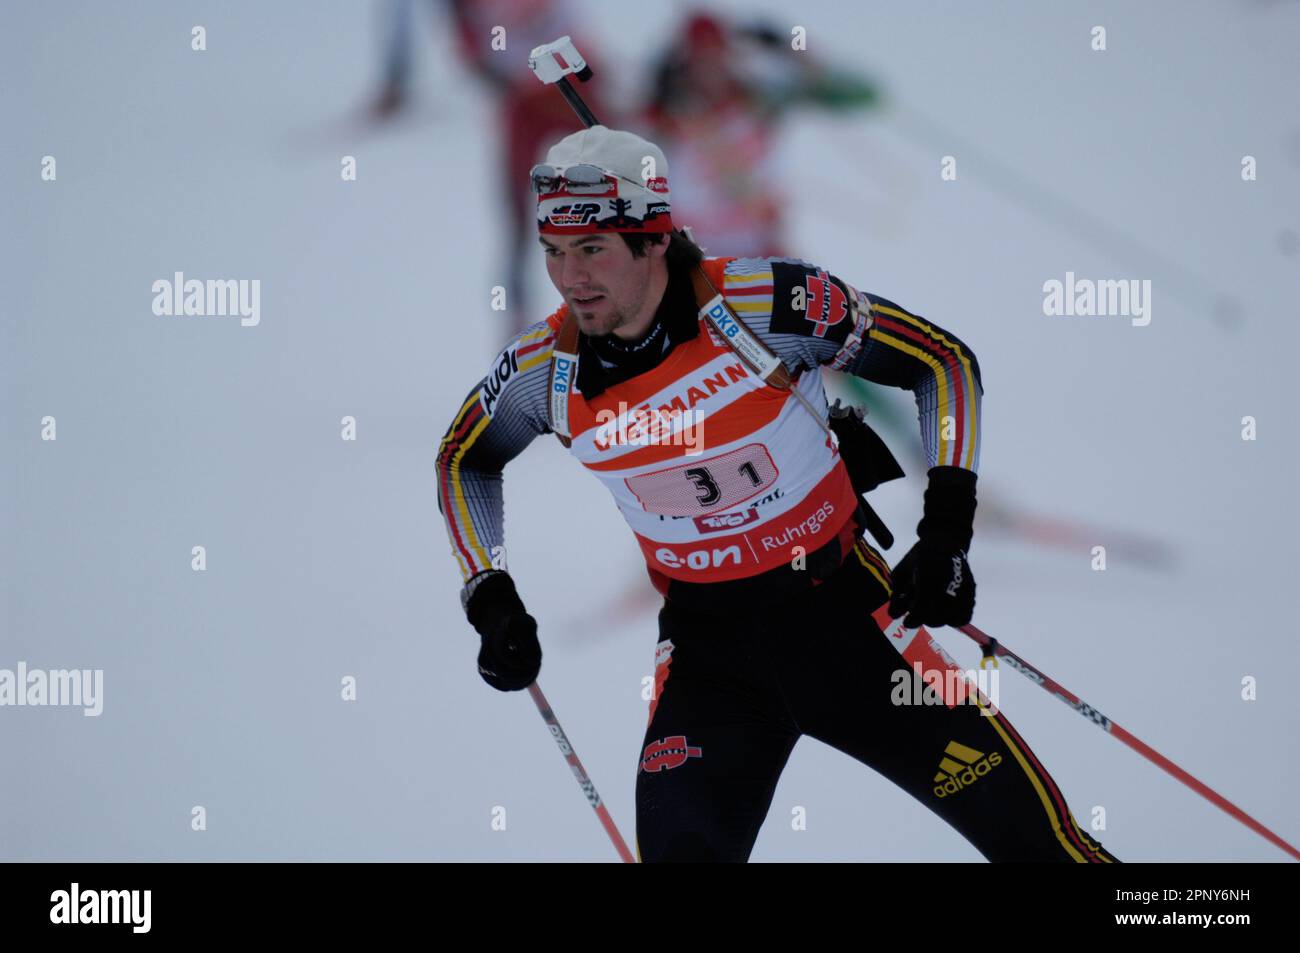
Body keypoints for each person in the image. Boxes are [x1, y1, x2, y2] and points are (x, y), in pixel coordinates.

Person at [435, 125, 1119, 863]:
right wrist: (490, 594)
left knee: (1043, 851)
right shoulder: (545, 371)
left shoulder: (768, 304)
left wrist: (947, 529)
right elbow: (462, 461)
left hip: (854, 625)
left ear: (654, 238)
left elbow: (939, 362)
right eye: (556, 253)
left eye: (593, 249)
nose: (572, 280)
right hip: (708, 659)